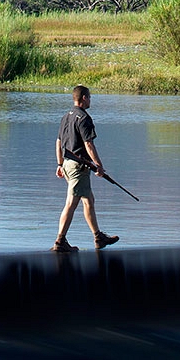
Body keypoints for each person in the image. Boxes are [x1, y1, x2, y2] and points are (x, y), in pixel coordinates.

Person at [52, 85, 119, 252]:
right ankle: (60, 242)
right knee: (71, 203)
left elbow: (59, 142)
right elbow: (88, 144)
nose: (90, 100)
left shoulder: (66, 116)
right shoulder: (84, 118)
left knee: (88, 200)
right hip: (78, 168)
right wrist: (99, 166)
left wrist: (60, 164)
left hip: (68, 164)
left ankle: (98, 237)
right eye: (89, 97)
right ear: (83, 98)